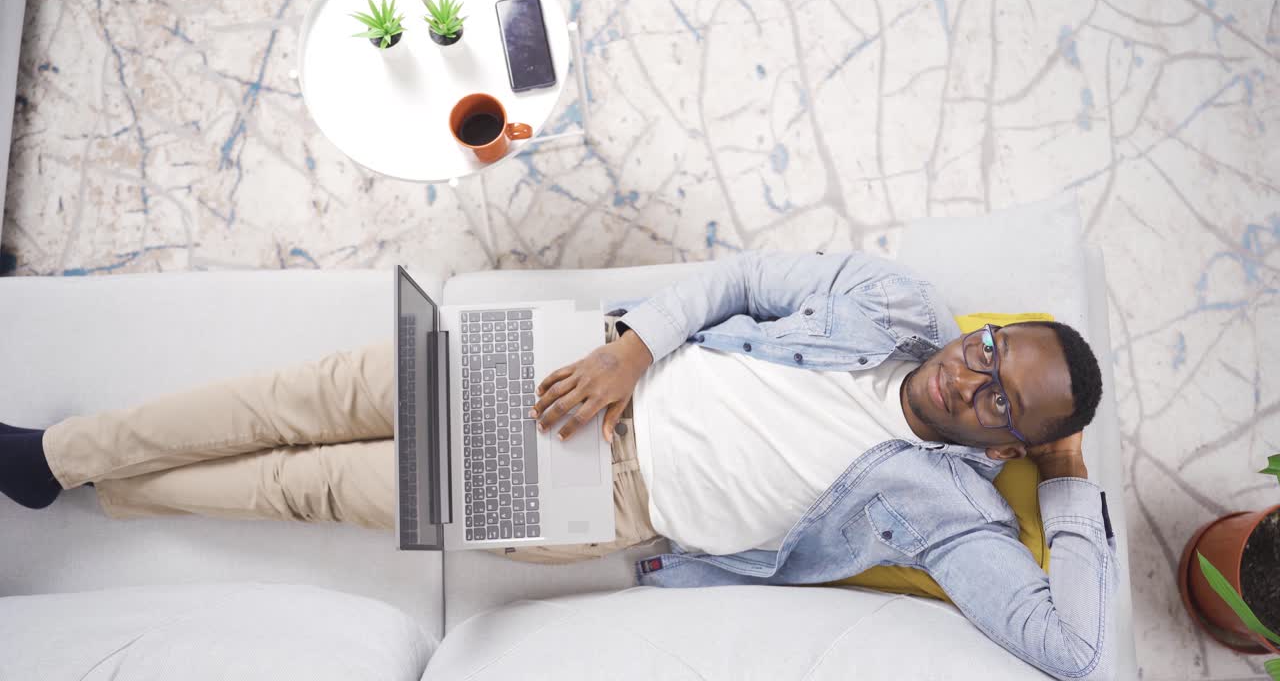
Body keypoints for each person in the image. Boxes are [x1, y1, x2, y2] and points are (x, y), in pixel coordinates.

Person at [0, 251, 1115, 680]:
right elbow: (738, 282)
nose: (971, 379)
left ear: (1006, 440)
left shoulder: (952, 517)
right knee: (313, 394)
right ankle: (59, 456)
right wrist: (635, 347)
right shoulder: (895, 303)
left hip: (612, 496)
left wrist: (1063, 483)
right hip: (589, 373)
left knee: (316, 482)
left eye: (1000, 402)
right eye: (988, 352)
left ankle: (96, 481)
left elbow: (1070, 651)